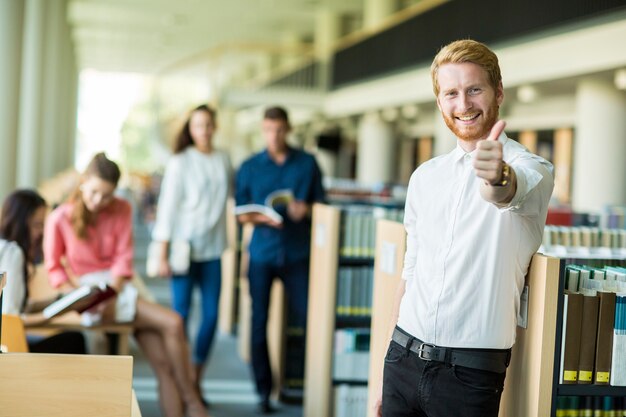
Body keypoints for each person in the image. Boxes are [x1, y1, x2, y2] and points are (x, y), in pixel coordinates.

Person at [374, 39, 555, 417]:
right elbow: (410, 274)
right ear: (439, 102)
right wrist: (382, 373)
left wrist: (497, 175)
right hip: (402, 358)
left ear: (498, 92)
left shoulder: (532, 168)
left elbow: (506, 191)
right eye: (451, 93)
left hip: (469, 374)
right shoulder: (425, 177)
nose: (463, 105)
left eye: (475, 89)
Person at [43, 153, 210, 417]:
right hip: (85, 296)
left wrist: (111, 294)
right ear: (83, 182)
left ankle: (190, 402)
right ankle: (193, 402)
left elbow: (123, 260)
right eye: (95, 192)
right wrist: (76, 298)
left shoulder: (122, 208)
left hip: (119, 289)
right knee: (173, 323)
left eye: (107, 195)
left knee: (164, 365)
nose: (100, 201)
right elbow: (54, 269)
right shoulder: (59, 218)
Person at [235, 106, 325, 413]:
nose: (274, 136)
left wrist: (306, 210)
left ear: (288, 129)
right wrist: (259, 218)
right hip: (262, 253)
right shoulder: (249, 166)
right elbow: (240, 213)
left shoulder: (308, 163)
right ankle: (263, 391)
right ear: (262, 130)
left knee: (308, 319)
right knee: (259, 321)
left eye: (279, 130)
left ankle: (306, 387)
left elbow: (322, 207)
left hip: (298, 253)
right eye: (268, 130)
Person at [152, 104, 232, 405]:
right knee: (180, 317)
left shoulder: (223, 158)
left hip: (213, 250)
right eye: (198, 126)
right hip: (184, 250)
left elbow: (236, 194)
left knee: (211, 317)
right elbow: (168, 207)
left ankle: (196, 378)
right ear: (190, 129)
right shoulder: (180, 161)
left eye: (209, 125)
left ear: (215, 127)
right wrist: (161, 251)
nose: (204, 131)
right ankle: (183, 381)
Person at [0, 189, 86, 353]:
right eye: (37, 225)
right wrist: (52, 315)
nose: (41, 232)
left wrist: (58, 300)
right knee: (74, 339)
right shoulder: (13, 252)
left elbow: (18, 306)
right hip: (9, 348)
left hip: (6, 342)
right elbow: (9, 318)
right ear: (20, 223)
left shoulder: (4, 247)